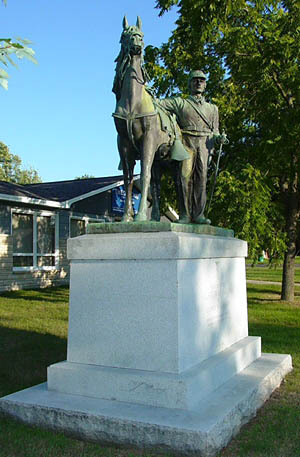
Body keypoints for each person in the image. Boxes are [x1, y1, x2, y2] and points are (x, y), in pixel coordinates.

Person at [159, 70, 222, 224]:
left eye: (201, 80)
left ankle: (199, 215)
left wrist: (219, 139)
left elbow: (215, 131)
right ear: (189, 84)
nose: (198, 83)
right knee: (183, 179)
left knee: (201, 180)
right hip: (187, 143)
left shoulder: (213, 109)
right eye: (195, 80)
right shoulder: (181, 103)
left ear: (205, 84)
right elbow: (158, 103)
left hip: (204, 144)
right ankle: (185, 215)